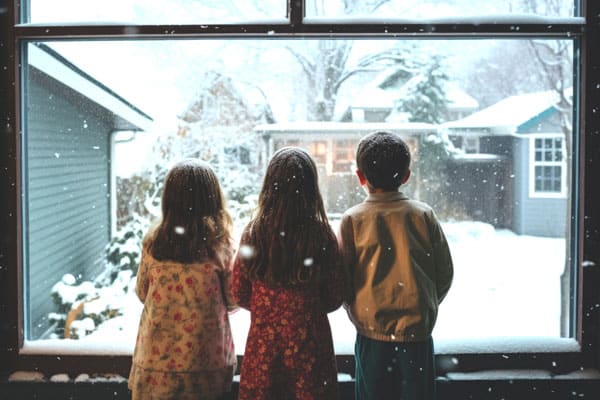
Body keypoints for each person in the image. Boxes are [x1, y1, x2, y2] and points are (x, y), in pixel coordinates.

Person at [337, 131, 454, 400]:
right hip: (416, 332)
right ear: (406, 176)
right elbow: (444, 272)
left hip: (371, 330)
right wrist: (424, 302)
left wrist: (355, 305)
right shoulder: (422, 215)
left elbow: (342, 277)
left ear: (360, 177)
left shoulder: (353, 220)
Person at [232, 147, 343, 400]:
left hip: (265, 351)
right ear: (310, 189)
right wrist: (305, 307)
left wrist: (268, 308)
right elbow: (335, 296)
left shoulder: (253, 233)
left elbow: (238, 291)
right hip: (310, 350)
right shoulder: (322, 235)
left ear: (269, 187)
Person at [128, 160, 237, 400]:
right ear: (213, 199)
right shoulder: (221, 245)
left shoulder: (154, 243)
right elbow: (233, 299)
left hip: (156, 362)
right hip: (206, 362)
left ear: (169, 200)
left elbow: (142, 292)